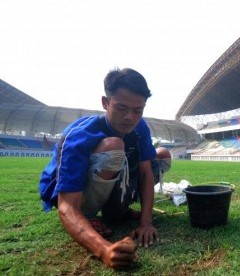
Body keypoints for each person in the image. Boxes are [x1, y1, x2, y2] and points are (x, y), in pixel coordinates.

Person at [38, 68, 171, 269]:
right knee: (114, 146)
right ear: (105, 102)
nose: (130, 117)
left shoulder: (139, 127)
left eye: (138, 110)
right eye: (121, 108)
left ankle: (116, 211)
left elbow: (145, 172)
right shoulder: (79, 135)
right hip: (73, 193)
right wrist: (104, 250)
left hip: (111, 180)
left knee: (161, 156)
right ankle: (90, 217)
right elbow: (67, 207)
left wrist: (146, 222)